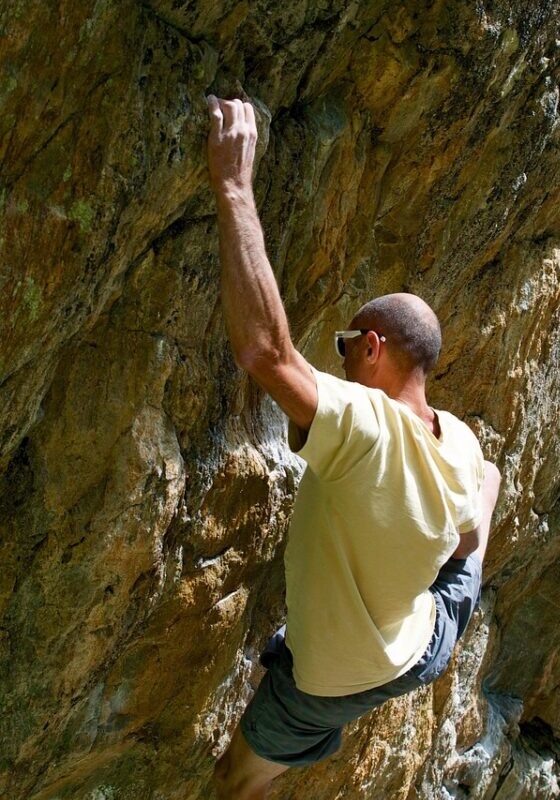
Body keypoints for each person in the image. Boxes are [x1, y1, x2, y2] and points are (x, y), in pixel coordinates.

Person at [206, 95, 501, 800]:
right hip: (427, 643)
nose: (336, 358)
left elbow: (265, 352)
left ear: (371, 347)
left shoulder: (365, 424)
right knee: (482, 495)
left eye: (343, 345)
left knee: (233, 784)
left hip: (335, 680)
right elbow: (464, 545)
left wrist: (233, 186)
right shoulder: (459, 440)